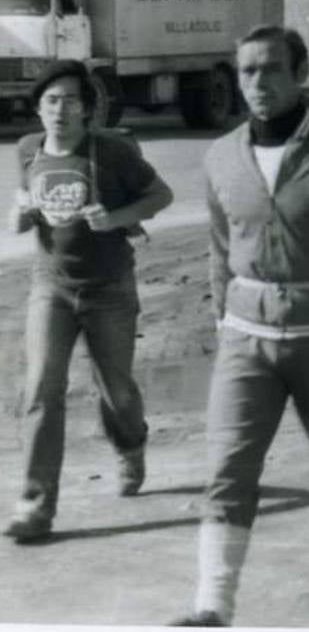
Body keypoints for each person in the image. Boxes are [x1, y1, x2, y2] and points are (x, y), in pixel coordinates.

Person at [173, 27, 309, 626]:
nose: (258, 83)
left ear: (300, 72)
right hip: (246, 340)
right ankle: (212, 603)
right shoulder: (220, 156)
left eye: (272, 69)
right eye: (247, 72)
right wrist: (225, 320)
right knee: (228, 470)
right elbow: (220, 250)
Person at [3, 61, 174, 544]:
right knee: (40, 388)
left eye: (71, 101)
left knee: (116, 391)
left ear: (87, 109)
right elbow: (22, 217)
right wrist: (19, 212)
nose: (60, 110)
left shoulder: (113, 152)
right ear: (38, 106)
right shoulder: (28, 149)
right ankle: (36, 506)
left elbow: (161, 194)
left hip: (109, 288)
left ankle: (130, 444)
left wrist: (116, 216)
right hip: (50, 285)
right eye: (51, 100)